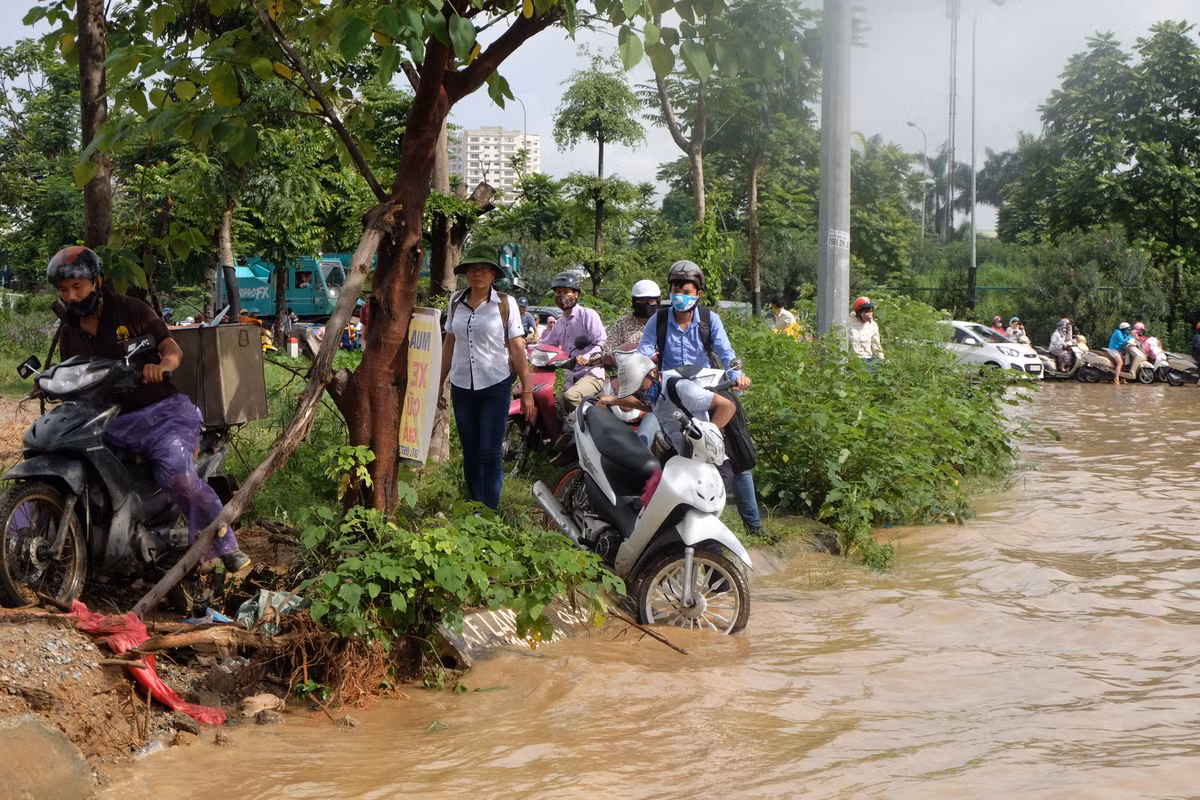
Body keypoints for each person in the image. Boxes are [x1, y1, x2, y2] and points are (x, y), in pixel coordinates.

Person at [47, 246, 250, 573]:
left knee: (178, 477)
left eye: (77, 287)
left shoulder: (131, 310)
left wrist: (163, 365)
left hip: (161, 414)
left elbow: (171, 349)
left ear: (97, 281)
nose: (70, 296)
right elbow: (72, 371)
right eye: (64, 290)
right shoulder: (71, 329)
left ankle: (225, 544)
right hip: (107, 422)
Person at [636, 260, 768, 538]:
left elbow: (727, 352)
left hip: (709, 396)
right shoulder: (657, 321)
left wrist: (738, 374)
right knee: (650, 445)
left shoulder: (710, 321)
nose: (679, 294)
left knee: (736, 456)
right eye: (675, 288)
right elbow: (644, 353)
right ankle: (656, 523)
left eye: (686, 290)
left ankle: (754, 528)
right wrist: (642, 369)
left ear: (698, 294)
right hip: (672, 400)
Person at [439, 244, 535, 510]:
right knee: (469, 451)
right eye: (471, 269)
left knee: (489, 452)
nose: (476, 274)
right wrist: (438, 383)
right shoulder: (456, 301)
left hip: (495, 384)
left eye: (482, 269)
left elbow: (517, 347)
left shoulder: (505, 303)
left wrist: (527, 391)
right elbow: (450, 343)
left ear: (494, 274)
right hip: (461, 385)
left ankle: (489, 510)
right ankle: (473, 506)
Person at [537, 271, 606, 437]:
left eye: (566, 292)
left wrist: (588, 356)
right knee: (553, 408)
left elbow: (602, 342)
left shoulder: (587, 315)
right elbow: (546, 344)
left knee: (571, 397)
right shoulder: (560, 323)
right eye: (558, 293)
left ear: (576, 294)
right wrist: (525, 347)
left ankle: (597, 432)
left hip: (591, 374)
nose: (561, 296)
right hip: (571, 376)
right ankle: (569, 441)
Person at [600, 279, 661, 360]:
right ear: (634, 302)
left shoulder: (664, 322)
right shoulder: (623, 323)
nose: (647, 305)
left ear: (658, 302)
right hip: (627, 370)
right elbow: (607, 349)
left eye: (651, 301)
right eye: (642, 301)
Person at [848, 296, 883, 362]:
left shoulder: (873, 325)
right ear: (858, 312)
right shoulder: (849, 323)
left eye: (870, 311)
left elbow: (876, 344)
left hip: (867, 360)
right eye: (866, 311)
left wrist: (881, 360)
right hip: (852, 361)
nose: (868, 314)